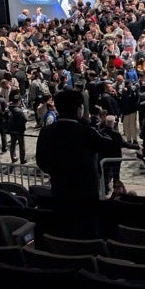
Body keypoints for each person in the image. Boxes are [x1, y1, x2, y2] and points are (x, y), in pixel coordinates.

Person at [35, 89, 114, 238]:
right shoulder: (87, 132)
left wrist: (58, 171)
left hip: (60, 188)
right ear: (79, 109)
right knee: (87, 229)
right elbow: (109, 145)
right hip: (86, 192)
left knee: (65, 228)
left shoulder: (46, 131)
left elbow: (42, 161)